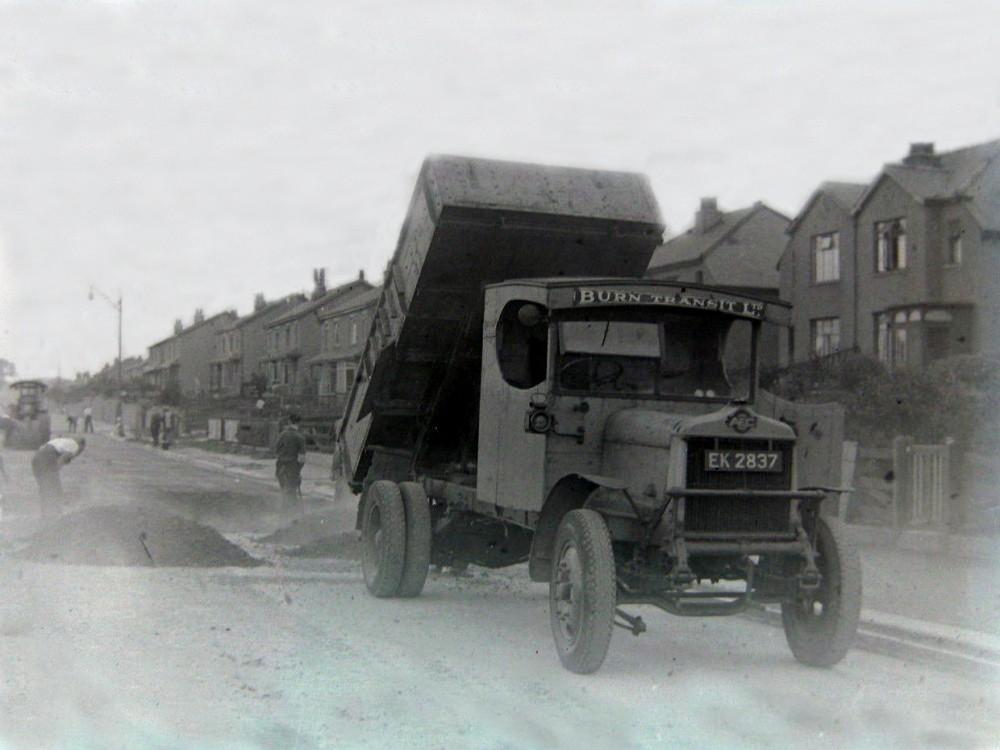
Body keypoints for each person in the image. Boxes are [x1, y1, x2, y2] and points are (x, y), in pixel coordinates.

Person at [31, 437, 85, 518]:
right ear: (81, 446)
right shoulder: (75, 446)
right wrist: (55, 470)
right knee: (55, 487)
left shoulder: (62, 441)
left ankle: (45, 514)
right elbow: (62, 459)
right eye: (80, 452)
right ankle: (55, 514)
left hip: (36, 457)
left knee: (44, 487)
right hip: (47, 457)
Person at [274, 413, 307, 516]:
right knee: (290, 492)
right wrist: (298, 471)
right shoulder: (300, 437)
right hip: (292, 468)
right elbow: (301, 459)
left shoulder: (282, 434)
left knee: (285, 490)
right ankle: (289, 515)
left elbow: (276, 449)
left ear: (289, 422)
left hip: (280, 466)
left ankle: (287, 514)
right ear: (299, 423)